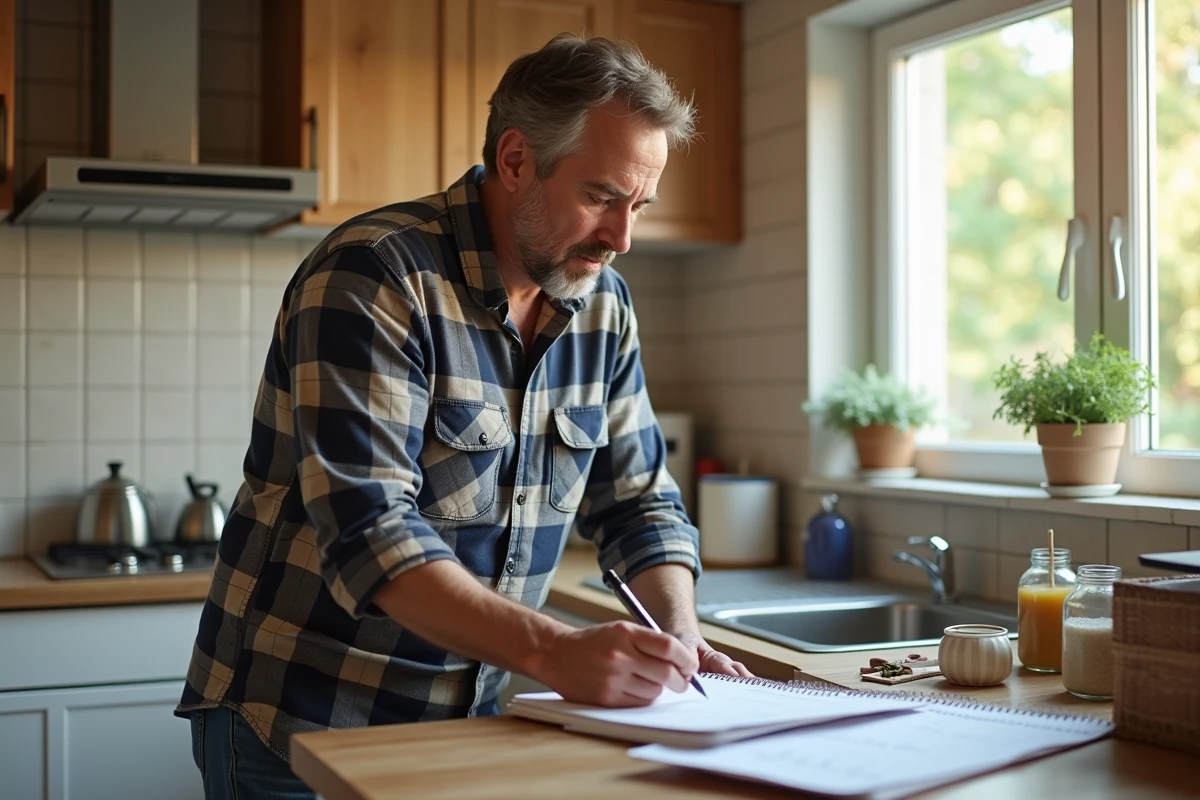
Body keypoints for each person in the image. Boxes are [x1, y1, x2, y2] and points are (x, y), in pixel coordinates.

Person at [176, 32, 750, 800]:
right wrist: (554, 651)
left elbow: (641, 503)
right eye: (601, 197)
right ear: (515, 161)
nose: (623, 238)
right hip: (300, 724)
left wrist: (679, 634)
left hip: (467, 726)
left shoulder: (602, 307)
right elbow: (370, 528)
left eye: (639, 205)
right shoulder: (376, 273)